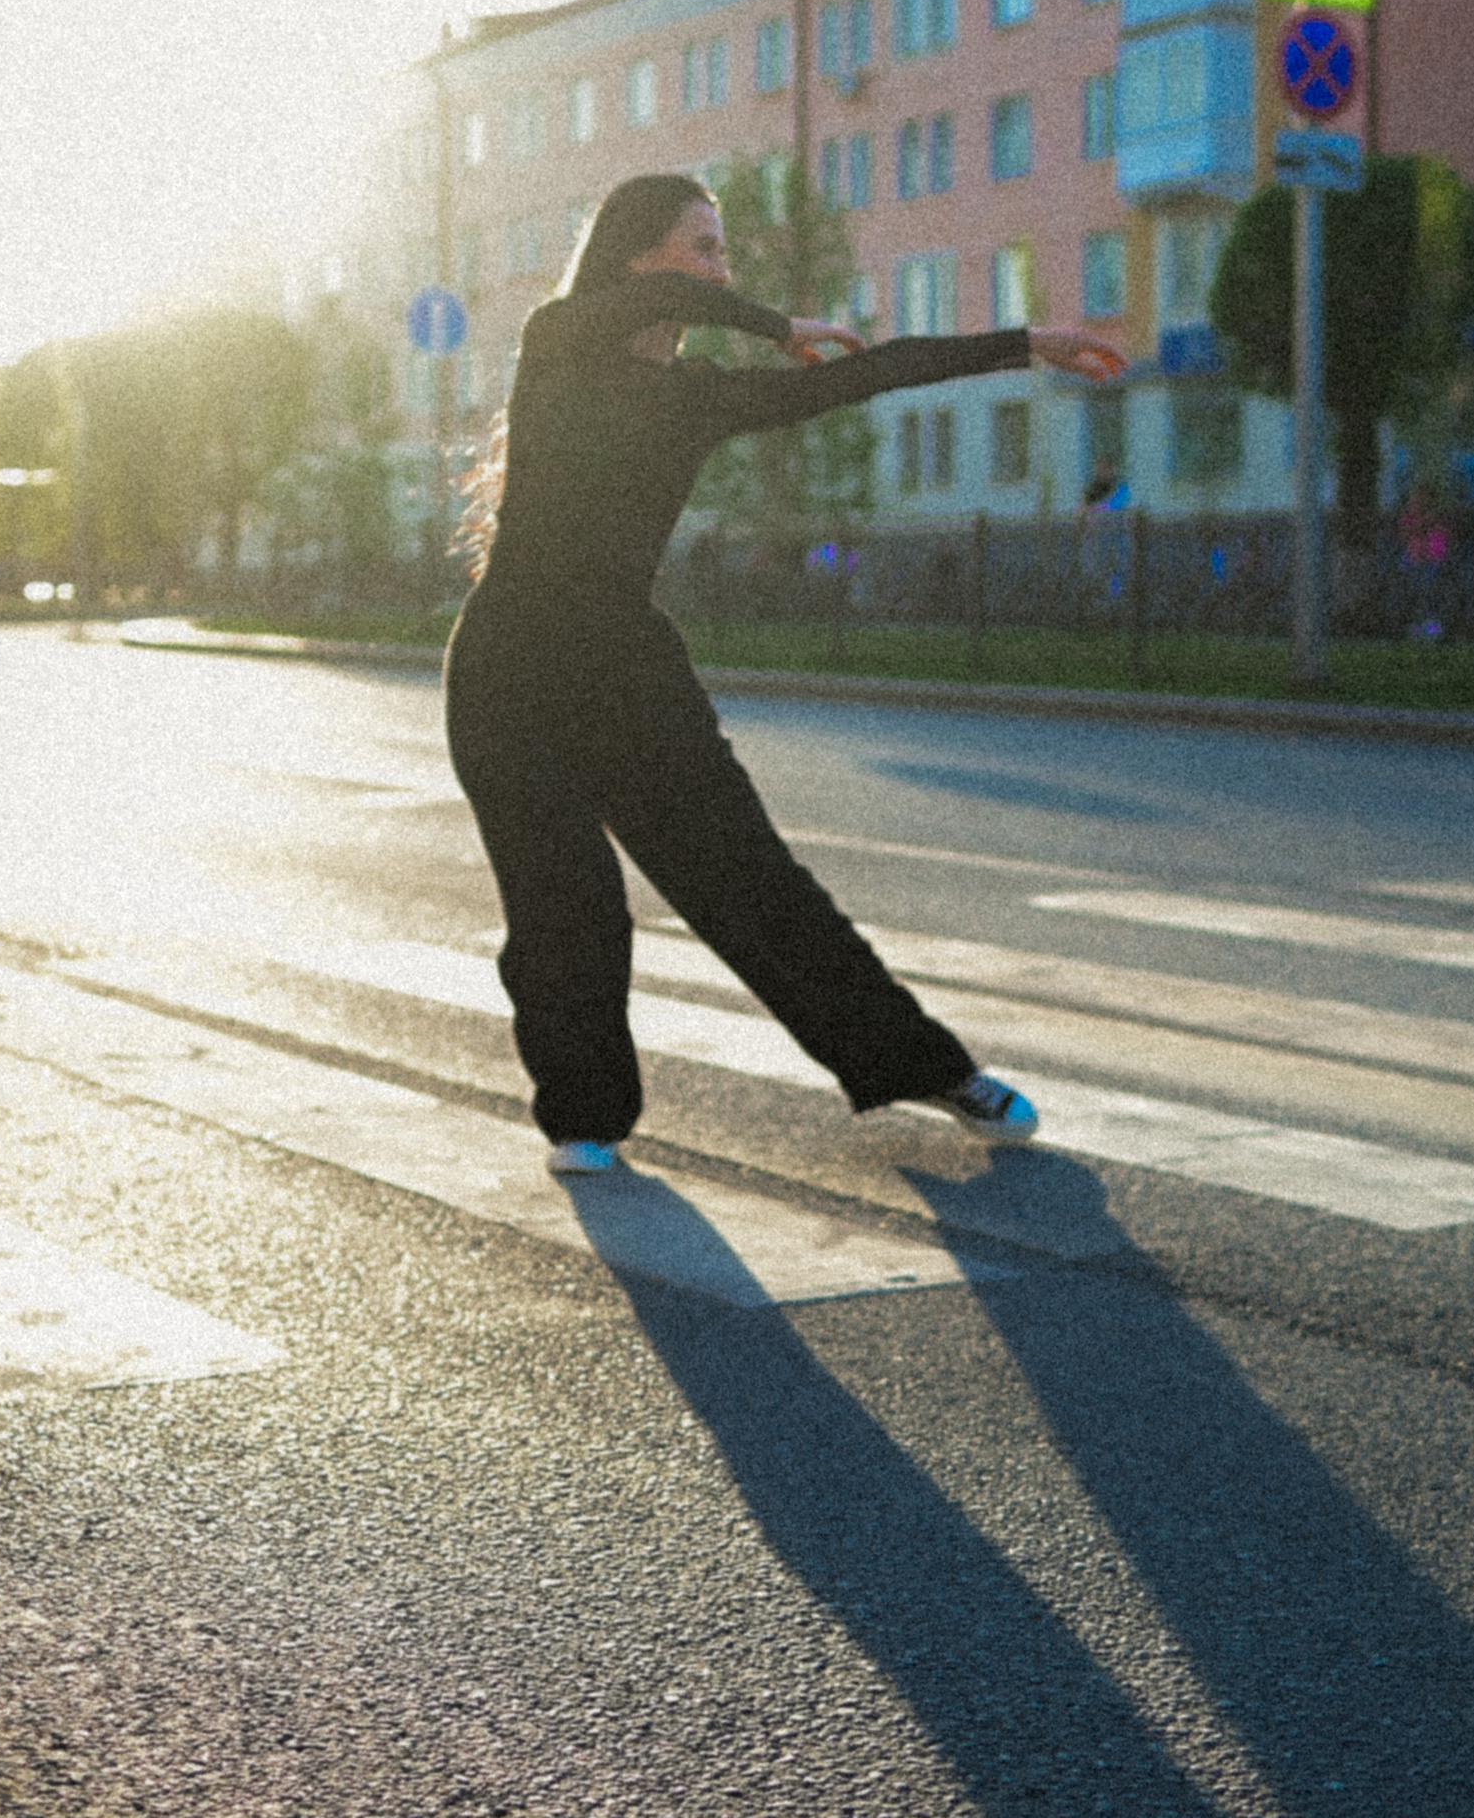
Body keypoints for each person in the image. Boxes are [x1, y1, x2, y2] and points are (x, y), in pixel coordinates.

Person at [443, 169, 1129, 1175]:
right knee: (564, 905)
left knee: (754, 884)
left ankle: (927, 1068)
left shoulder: (695, 397)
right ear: (637, 254)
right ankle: (583, 1120)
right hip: (509, 670)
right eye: (704, 246)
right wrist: (773, 323)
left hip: (625, 667)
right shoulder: (557, 342)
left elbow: (871, 373)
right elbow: (648, 304)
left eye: (723, 249)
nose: (721, 269)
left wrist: (1025, 344)